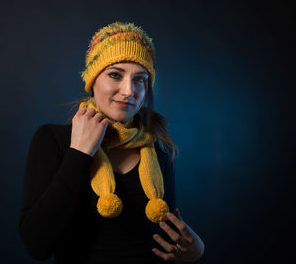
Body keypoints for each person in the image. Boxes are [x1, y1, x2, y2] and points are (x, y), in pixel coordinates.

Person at [18, 21, 205, 263]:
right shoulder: (53, 140)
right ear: (93, 79)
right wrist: (80, 152)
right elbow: (37, 245)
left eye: (140, 79)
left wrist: (194, 252)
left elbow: (165, 239)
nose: (129, 90)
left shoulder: (160, 148)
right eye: (115, 75)